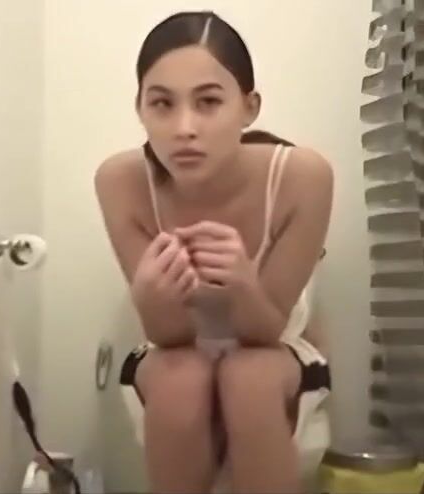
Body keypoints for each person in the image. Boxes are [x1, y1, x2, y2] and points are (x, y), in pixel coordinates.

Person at [94, 11, 333, 494]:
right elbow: (168, 336)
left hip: (273, 344)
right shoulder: (121, 182)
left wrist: (242, 283)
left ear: (249, 107)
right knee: (180, 381)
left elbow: (267, 330)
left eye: (208, 102)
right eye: (162, 104)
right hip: (175, 350)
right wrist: (151, 297)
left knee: (248, 380)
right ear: (140, 108)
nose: (184, 128)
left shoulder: (302, 177)